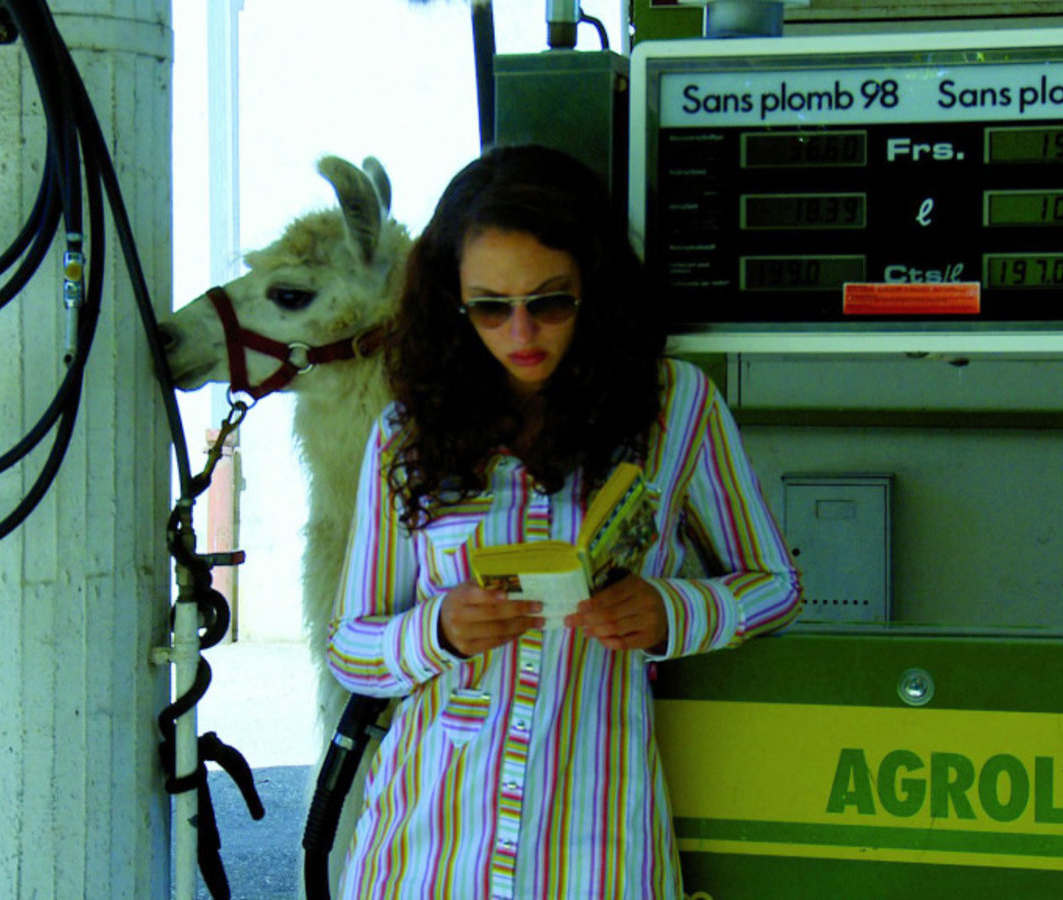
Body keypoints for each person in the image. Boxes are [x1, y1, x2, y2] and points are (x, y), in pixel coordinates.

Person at [326, 144, 802, 898]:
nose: (521, 334)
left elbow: (775, 586)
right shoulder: (407, 432)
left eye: (549, 302)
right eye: (490, 307)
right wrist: (439, 629)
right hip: (429, 840)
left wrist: (671, 611)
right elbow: (351, 646)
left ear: (595, 288)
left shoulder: (674, 408)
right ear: (452, 305)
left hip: (596, 834)